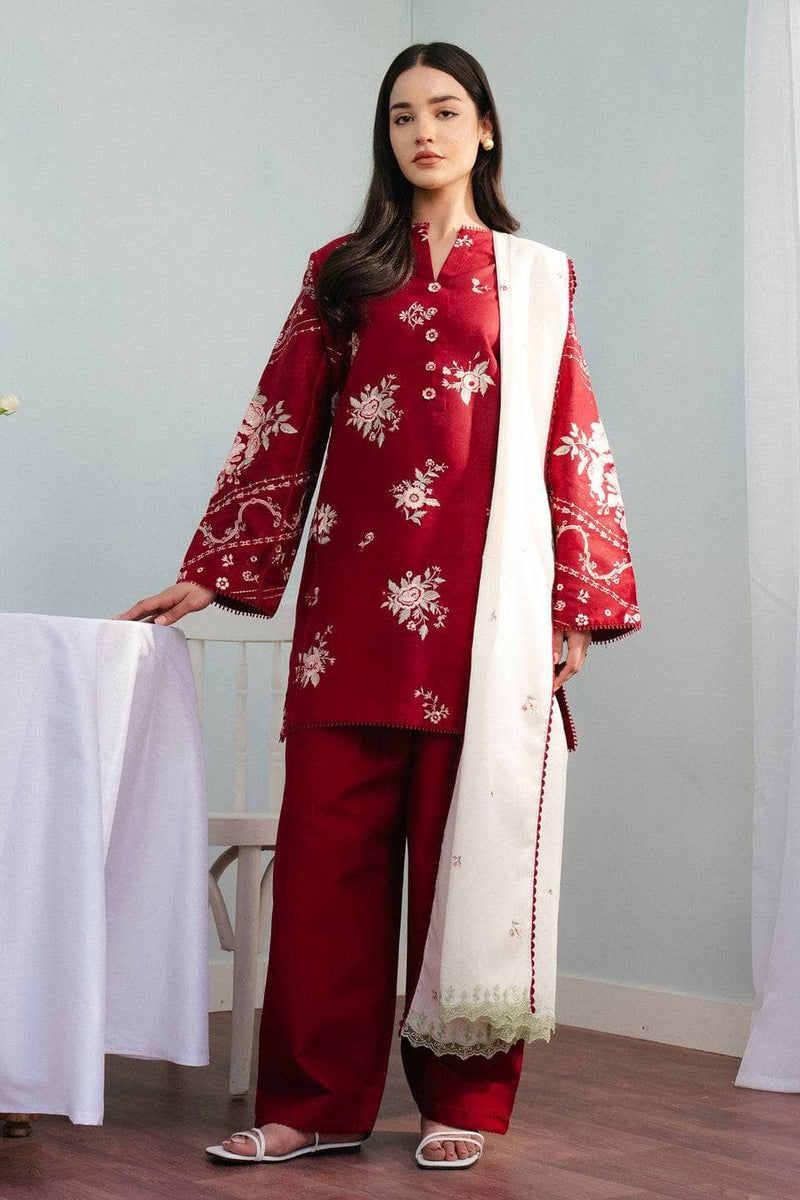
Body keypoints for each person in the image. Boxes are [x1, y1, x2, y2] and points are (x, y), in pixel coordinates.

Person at [115, 41, 641, 1171]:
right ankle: (312, 1106)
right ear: (385, 136)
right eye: (402, 115)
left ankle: (461, 1103)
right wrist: (220, 566)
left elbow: (570, 437)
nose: (423, 132)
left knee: (466, 858)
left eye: (445, 111)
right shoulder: (343, 272)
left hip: (484, 618)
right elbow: (283, 419)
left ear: (484, 128)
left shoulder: (535, 277)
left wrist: (579, 602)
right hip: (352, 610)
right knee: (327, 867)